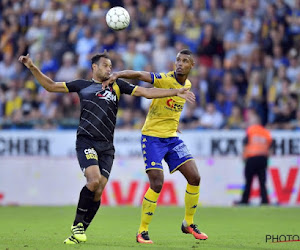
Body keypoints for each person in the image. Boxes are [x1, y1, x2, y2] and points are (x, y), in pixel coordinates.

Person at [18, 52, 195, 244]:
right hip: (86, 141)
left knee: (99, 188)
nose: (109, 69)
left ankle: (79, 232)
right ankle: (77, 225)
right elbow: (50, 86)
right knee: (93, 181)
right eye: (105, 65)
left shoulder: (117, 86)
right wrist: (32, 66)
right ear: (94, 67)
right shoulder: (82, 85)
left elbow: (146, 92)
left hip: (107, 147)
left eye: (111, 66)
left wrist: (174, 91)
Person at [102, 49, 208, 244]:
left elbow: (173, 109)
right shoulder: (165, 79)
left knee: (195, 177)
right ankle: (142, 231)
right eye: (178, 60)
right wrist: (118, 74)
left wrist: (175, 125)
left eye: (185, 61)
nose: (180, 63)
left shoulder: (189, 84)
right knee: (157, 183)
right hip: (152, 138)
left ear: (192, 66)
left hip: (172, 138)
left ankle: (188, 223)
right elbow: (140, 75)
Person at [237, 110, 272, 205]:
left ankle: (245, 200)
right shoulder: (266, 132)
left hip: (252, 158)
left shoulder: (251, 130)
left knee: (248, 181)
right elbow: (270, 147)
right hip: (263, 158)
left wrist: (244, 156)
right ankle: (265, 201)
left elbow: (245, 143)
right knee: (262, 182)